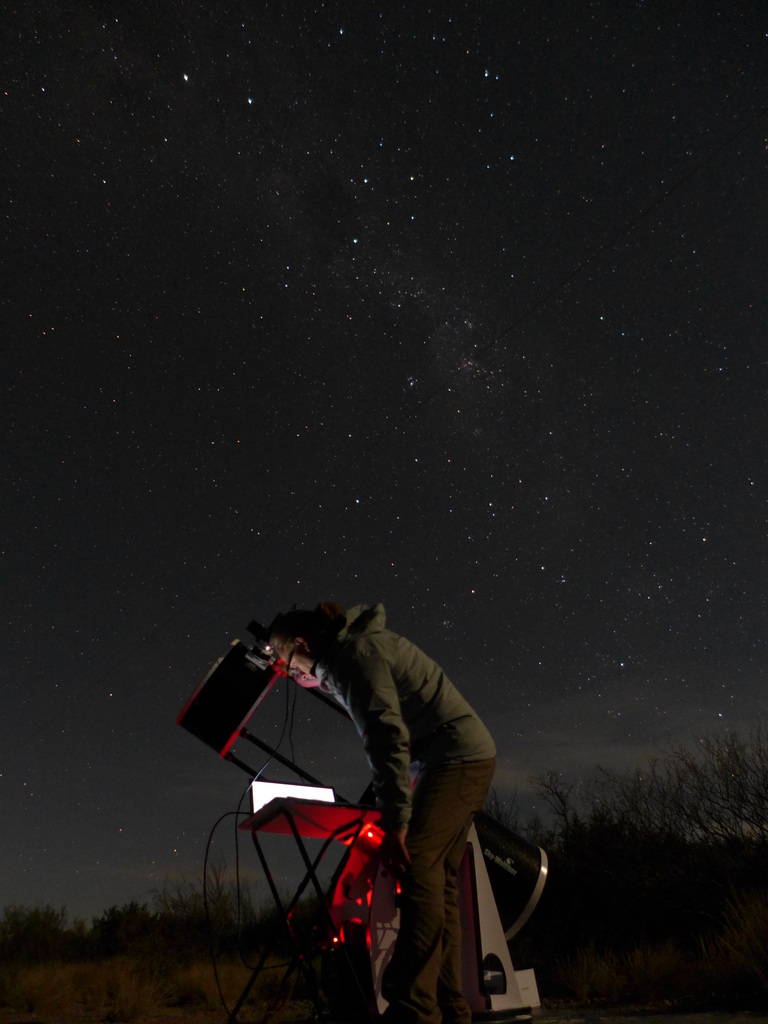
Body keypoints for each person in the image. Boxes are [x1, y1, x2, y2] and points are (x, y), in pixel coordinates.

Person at [270, 601, 496, 1024]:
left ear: (303, 643)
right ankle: (450, 1008)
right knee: (439, 885)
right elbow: (338, 687)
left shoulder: (354, 658)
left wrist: (396, 823)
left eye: (285, 658)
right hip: (453, 756)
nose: (286, 670)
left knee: (419, 865)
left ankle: (412, 1006)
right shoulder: (350, 653)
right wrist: (301, 671)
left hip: (455, 757)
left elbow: (384, 736)